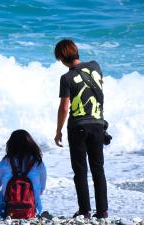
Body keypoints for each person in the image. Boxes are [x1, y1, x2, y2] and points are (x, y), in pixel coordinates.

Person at [54, 39, 108, 219]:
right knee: (98, 169)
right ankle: (102, 211)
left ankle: (85, 210)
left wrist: (58, 130)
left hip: (78, 127)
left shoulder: (66, 78)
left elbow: (64, 107)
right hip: (98, 124)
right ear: (76, 51)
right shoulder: (95, 66)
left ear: (62, 58)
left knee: (80, 171)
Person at [0, 129, 47, 219]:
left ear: (10, 144)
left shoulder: (6, 161)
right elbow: (41, 189)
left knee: (1, 194)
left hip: (8, 209)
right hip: (32, 209)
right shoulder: (38, 162)